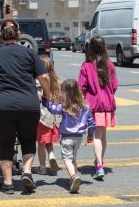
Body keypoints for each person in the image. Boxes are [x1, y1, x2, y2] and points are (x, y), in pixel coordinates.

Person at [0, 19, 50, 194]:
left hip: (2, 106)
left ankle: (8, 183)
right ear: (19, 35)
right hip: (28, 104)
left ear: (1, 36)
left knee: (5, 143)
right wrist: (47, 95)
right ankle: (26, 172)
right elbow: (44, 78)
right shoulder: (30, 54)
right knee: (27, 141)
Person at [42, 79, 96, 194]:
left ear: (64, 92)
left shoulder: (64, 106)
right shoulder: (85, 106)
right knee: (73, 158)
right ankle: (74, 177)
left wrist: (45, 101)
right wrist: (90, 135)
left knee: (66, 158)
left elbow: (52, 109)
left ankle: (73, 176)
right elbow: (91, 123)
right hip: (79, 137)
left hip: (67, 137)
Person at [78, 36, 118, 180]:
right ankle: (100, 161)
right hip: (107, 104)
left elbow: (81, 87)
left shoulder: (86, 66)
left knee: (96, 136)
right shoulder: (110, 65)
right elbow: (114, 86)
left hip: (94, 105)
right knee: (103, 135)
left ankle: (99, 166)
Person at [34, 55, 61, 175]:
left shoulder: (39, 81)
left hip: (43, 116)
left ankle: (42, 167)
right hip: (54, 116)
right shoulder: (57, 80)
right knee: (48, 141)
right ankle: (51, 156)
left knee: (41, 143)